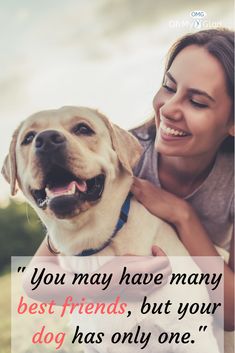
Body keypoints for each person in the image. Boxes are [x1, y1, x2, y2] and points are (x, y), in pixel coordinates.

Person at [130, 28, 234, 331]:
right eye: (168, 87)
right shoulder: (121, 154)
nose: (169, 108)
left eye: (197, 102)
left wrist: (182, 215)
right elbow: (38, 279)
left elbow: (231, 315)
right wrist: (107, 282)